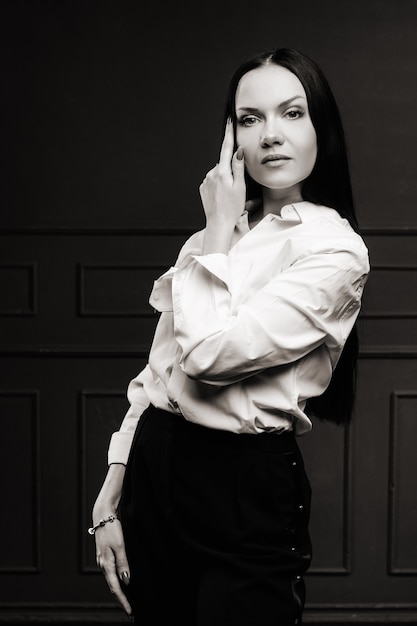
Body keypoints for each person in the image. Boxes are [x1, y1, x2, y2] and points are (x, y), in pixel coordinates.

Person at [90, 47, 370, 625]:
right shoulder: (214, 233)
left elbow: (208, 358)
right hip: (155, 468)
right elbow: (158, 376)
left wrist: (216, 231)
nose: (270, 135)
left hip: (243, 487)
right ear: (231, 137)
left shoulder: (335, 250)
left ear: (323, 129)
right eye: (250, 118)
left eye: (292, 114)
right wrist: (112, 490)